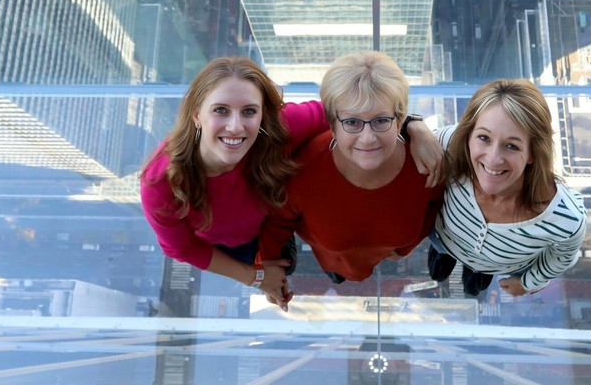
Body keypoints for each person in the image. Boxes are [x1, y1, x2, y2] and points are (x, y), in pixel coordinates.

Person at [141, 56, 442, 304]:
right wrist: (256, 277)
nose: (235, 127)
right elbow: (182, 248)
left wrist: (414, 126)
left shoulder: (279, 129)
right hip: (231, 246)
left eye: (249, 111)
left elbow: (349, 109)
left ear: (264, 115)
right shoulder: (162, 182)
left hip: (276, 216)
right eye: (220, 110)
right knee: (287, 269)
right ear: (196, 115)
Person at [259, 51, 445, 305]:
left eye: (381, 120)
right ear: (332, 124)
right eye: (352, 123)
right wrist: (268, 267)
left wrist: (405, 249)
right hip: (330, 260)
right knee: (336, 274)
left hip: (384, 255)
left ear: (400, 119)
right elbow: (276, 223)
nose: (367, 138)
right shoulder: (302, 170)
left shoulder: (425, 164)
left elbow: (435, 206)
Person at [428, 79, 587, 297]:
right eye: (483, 137)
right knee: (440, 262)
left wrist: (529, 282)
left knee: (475, 282)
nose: (493, 159)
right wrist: (414, 126)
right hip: (445, 240)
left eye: (511, 146)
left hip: (497, 266)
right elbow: (406, 142)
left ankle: (478, 271)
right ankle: (448, 255)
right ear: (468, 135)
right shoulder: (450, 144)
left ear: (533, 153)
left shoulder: (565, 219)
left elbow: (564, 256)